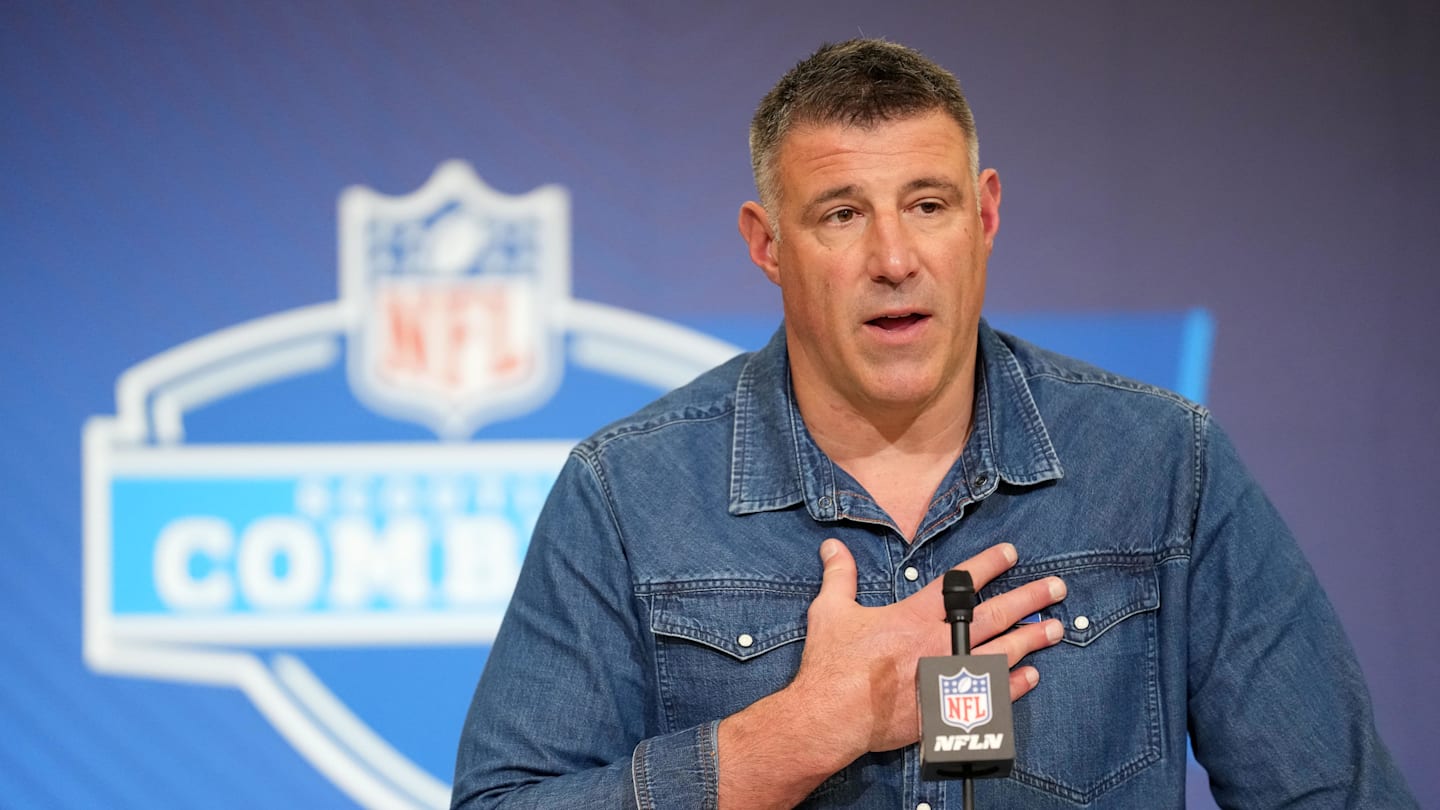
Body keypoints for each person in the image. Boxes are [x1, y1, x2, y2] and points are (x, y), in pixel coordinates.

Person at [451, 39, 1414, 809]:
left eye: (928, 203)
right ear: (767, 245)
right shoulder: (628, 491)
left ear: (985, 217)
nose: (895, 257)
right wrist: (794, 736)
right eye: (840, 214)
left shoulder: (1163, 466)